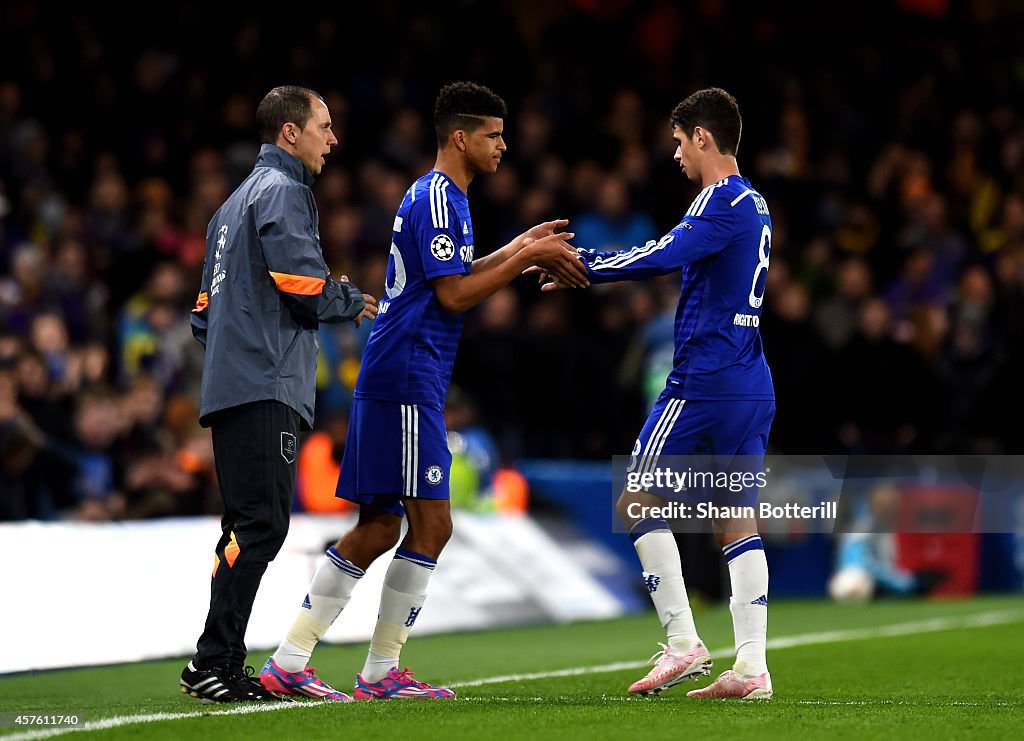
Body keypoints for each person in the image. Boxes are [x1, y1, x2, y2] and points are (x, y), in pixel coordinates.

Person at [258, 80, 588, 702]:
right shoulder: (440, 196)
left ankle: (291, 659)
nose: (503, 145)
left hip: (405, 371)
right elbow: (455, 295)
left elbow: (454, 277)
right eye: (492, 135)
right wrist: (523, 260)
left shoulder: (446, 199)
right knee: (429, 525)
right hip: (408, 373)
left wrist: (520, 247)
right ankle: (377, 672)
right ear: (460, 137)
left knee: (384, 525)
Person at [541, 88, 776, 700]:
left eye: (678, 141)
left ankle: (683, 643)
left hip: (704, 379)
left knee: (633, 501)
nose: (674, 154)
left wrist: (583, 264)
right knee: (734, 519)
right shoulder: (756, 202)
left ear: (703, 137)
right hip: (750, 378)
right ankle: (752, 669)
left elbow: (663, 255)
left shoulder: (720, 199)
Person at [180, 85, 377, 704]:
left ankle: (214, 662)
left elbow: (203, 315)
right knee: (261, 522)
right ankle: (214, 661)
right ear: (290, 132)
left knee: (246, 525)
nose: (332, 138)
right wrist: (350, 299)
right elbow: (302, 284)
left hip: (235, 381)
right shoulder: (285, 192)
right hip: (267, 382)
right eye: (324, 125)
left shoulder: (230, 206)